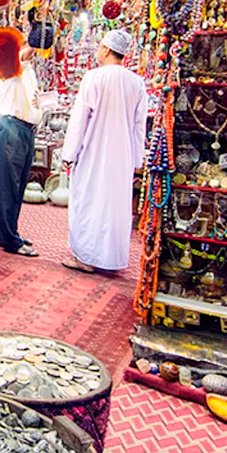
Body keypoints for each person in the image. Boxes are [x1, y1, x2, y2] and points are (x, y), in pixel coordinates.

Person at [61, 29, 148, 273]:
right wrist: (136, 159)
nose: (98, 50)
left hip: (94, 152)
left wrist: (69, 154)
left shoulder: (94, 78)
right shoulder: (136, 82)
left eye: (100, 46)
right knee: (113, 205)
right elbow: (139, 125)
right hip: (122, 156)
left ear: (107, 50)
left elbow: (80, 120)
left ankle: (87, 258)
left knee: (90, 201)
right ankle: (111, 259)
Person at [0, 27, 42, 257]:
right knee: (10, 185)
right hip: (12, 128)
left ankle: (10, 233)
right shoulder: (12, 65)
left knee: (17, 185)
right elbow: (21, 56)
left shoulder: (26, 71)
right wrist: (34, 43)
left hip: (25, 129)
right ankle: (10, 239)